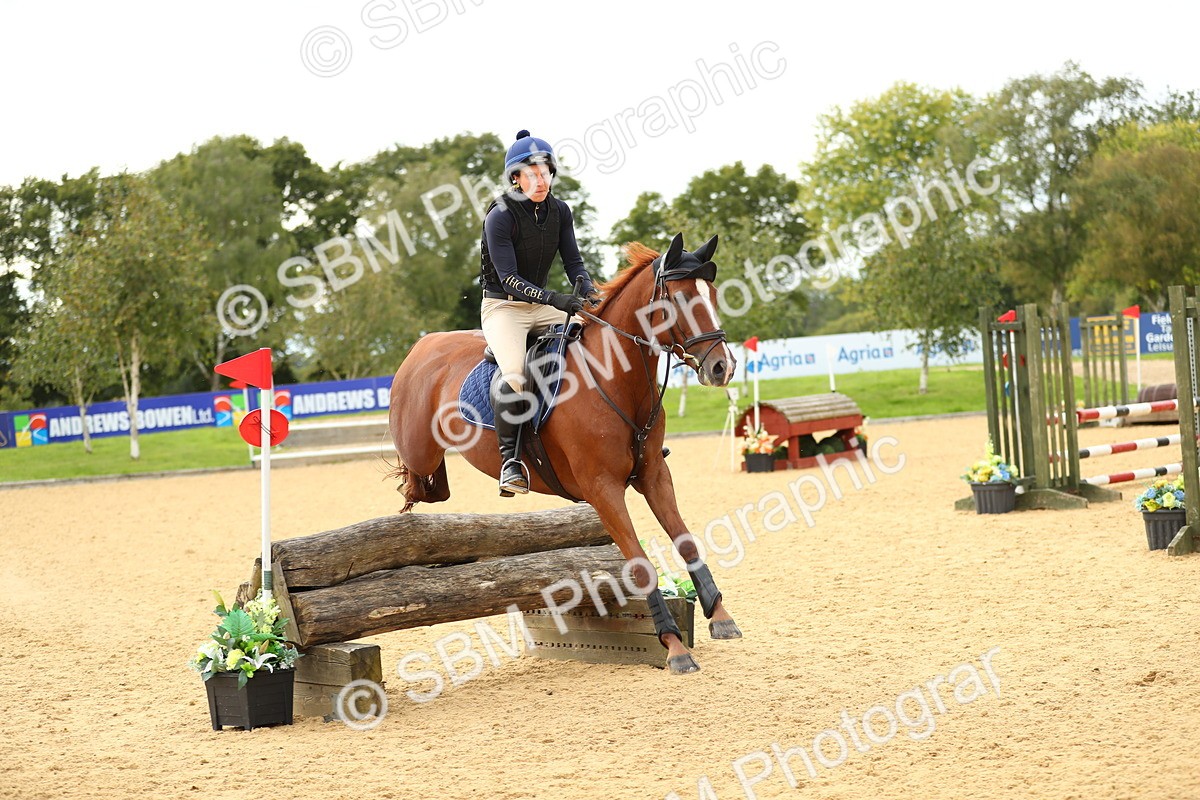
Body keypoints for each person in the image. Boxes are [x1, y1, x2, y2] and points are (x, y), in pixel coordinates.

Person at [479, 130, 600, 496]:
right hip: (504, 306)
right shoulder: (500, 216)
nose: (540, 179)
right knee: (514, 375)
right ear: (516, 178)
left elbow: (574, 262)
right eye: (531, 173)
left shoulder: (560, 211)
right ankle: (510, 462)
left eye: (545, 172)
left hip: (544, 303)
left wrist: (588, 290)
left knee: (599, 338)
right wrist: (555, 299)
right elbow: (510, 279)